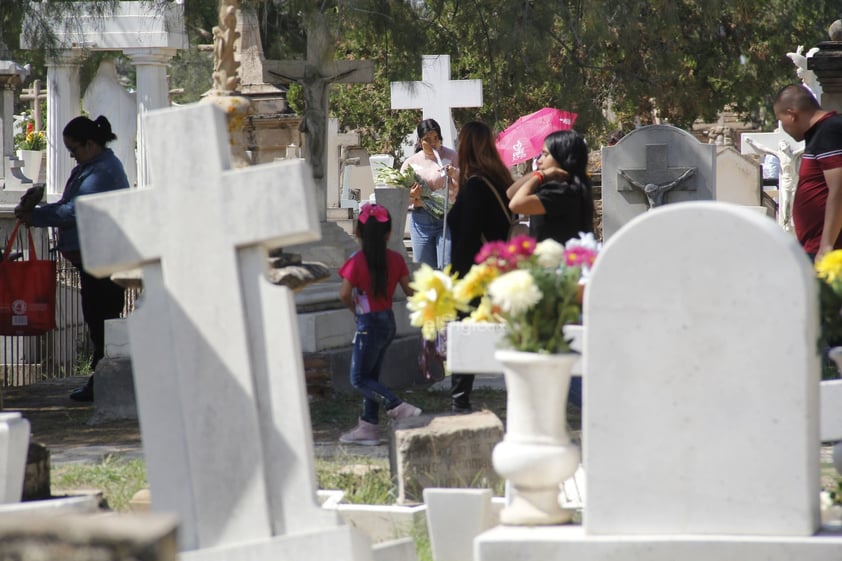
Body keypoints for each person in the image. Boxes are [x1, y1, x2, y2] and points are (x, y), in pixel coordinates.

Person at [15, 115, 129, 402]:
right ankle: (100, 379)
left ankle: (103, 381)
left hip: (103, 258)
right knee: (97, 319)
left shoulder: (102, 171)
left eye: (74, 149)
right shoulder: (91, 168)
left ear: (90, 144)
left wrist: (37, 215)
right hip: (93, 257)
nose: (73, 155)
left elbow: (77, 211)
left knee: (102, 321)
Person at [338, 203, 421, 445]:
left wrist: (356, 310)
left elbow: (343, 294)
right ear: (388, 234)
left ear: (357, 233)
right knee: (371, 375)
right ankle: (368, 427)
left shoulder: (356, 262)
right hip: (388, 322)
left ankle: (396, 405)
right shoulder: (396, 260)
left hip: (367, 324)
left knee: (359, 379)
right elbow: (409, 290)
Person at [446, 121, 514, 413]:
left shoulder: (475, 187)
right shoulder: (499, 180)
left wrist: (455, 280)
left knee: (466, 335)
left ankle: (460, 399)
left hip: (473, 274)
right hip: (496, 268)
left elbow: (468, 237)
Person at [773, 84, 842, 261]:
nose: (783, 127)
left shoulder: (829, 130)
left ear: (792, 113)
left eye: (781, 120)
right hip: (815, 246)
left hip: (829, 252)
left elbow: (839, 190)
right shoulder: (820, 133)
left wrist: (826, 245)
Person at [507, 129, 594, 244]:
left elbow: (516, 204)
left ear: (562, 156)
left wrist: (540, 176)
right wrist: (539, 174)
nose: (539, 161)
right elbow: (510, 193)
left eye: (545, 155)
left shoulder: (563, 191)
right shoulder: (559, 186)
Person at [400, 119, 459, 269]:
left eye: (436, 138)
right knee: (424, 269)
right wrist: (412, 195)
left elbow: (464, 185)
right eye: (427, 139)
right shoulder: (410, 163)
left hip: (447, 217)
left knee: (446, 265)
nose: (433, 143)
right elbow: (400, 197)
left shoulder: (452, 157)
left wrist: (454, 174)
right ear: (420, 141)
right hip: (421, 219)